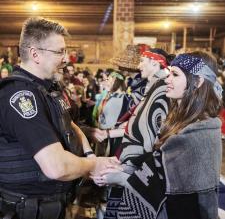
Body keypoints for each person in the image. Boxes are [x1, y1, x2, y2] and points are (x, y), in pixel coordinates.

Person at [0, 17, 120, 219]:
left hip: (52, 204)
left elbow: (70, 124)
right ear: (35, 54)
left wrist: (89, 154)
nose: (67, 59)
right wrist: (94, 164)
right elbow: (56, 167)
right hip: (26, 209)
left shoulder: (47, 89)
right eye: (59, 52)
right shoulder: (21, 96)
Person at [96, 51, 223, 219]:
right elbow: (160, 168)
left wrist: (121, 178)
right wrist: (125, 170)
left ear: (198, 81)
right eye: (169, 73)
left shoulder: (197, 134)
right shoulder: (186, 123)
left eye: (175, 75)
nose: (168, 79)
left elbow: (167, 189)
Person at [92, 48, 171, 219]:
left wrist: (130, 168)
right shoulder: (150, 89)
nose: (139, 65)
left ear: (155, 63)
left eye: (143, 60)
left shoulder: (163, 90)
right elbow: (135, 124)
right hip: (130, 161)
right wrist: (108, 134)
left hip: (141, 165)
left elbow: (155, 135)